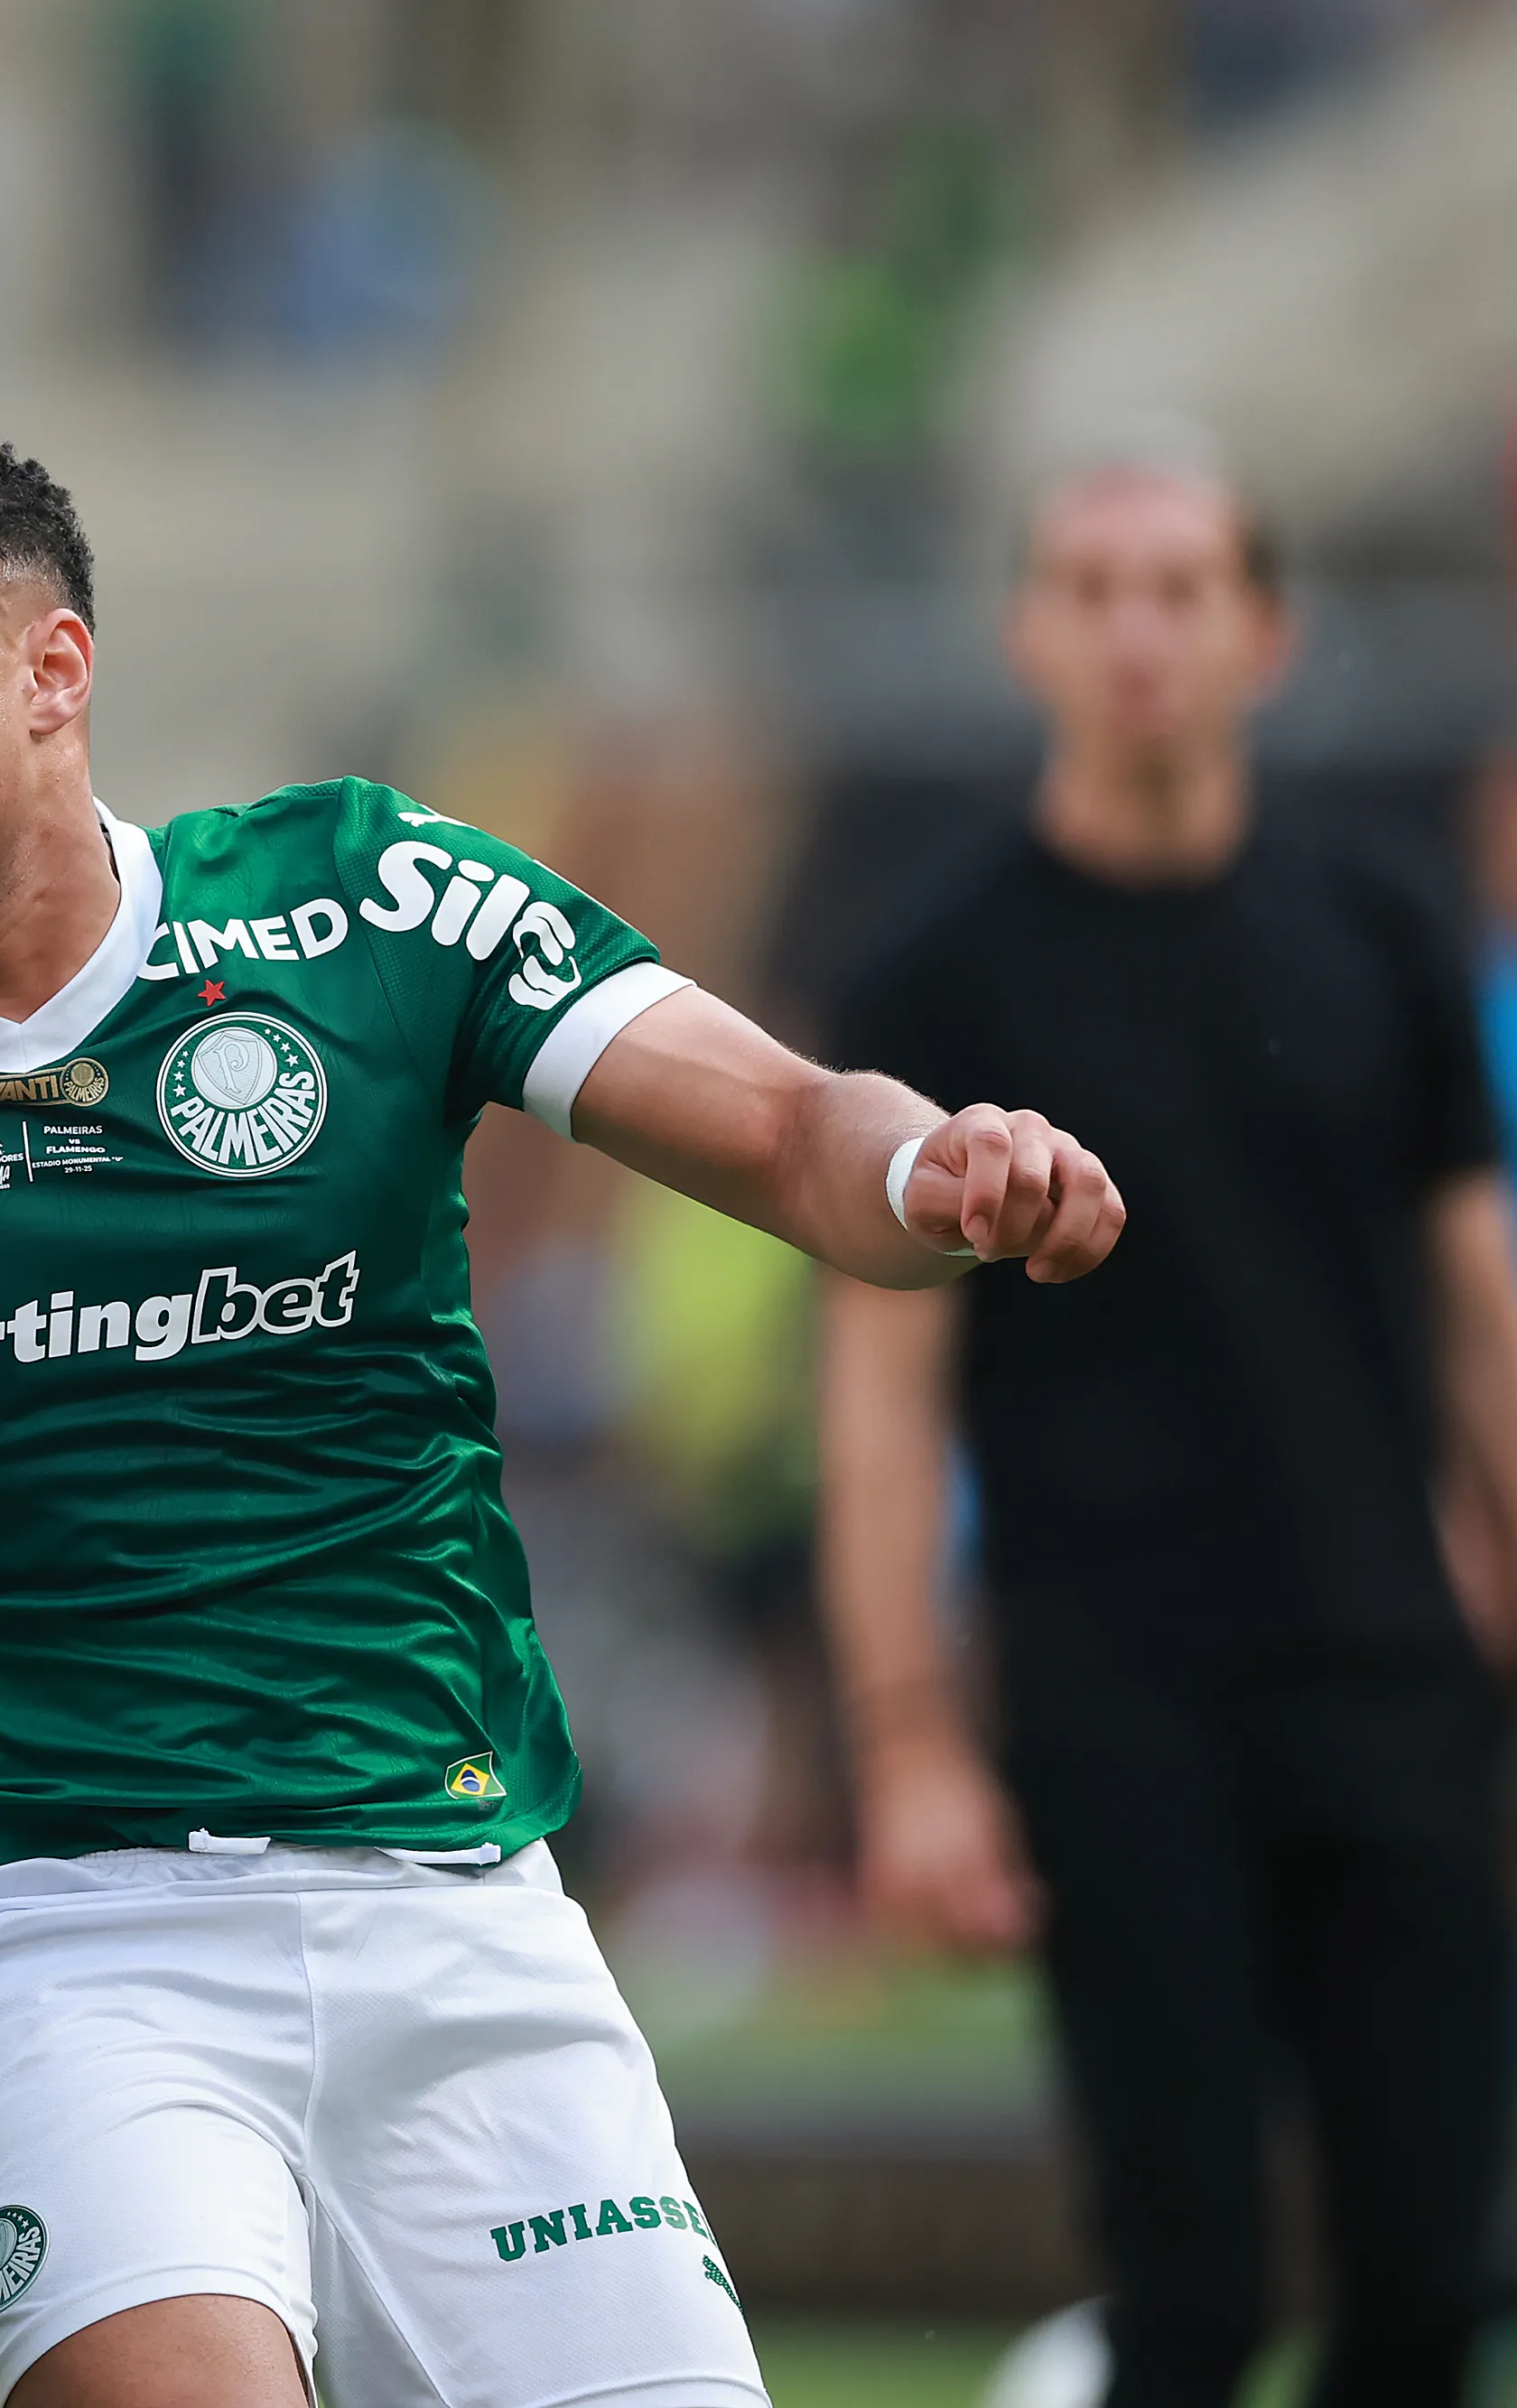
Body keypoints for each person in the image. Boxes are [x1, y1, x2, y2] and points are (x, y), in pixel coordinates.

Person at [0, 428, 1124, 2408]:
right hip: (50, 1939)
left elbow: (798, 1126)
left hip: (459, 1916)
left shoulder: (364, 902)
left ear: (51, 668)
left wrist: (931, 1171)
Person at [823, 447, 1517, 2408]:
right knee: (1188, 2297)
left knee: (1428, 2289)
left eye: (1181, 586)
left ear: (1262, 634)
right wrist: (908, 1746)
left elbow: (1481, 1318)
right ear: (1026, 633)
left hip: (1388, 1677)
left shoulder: (1379, 929)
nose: (1136, 631)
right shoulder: (935, 966)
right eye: (1092, 587)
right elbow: (879, 1392)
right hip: (1113, 1704)